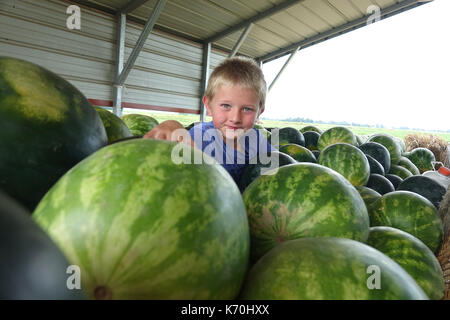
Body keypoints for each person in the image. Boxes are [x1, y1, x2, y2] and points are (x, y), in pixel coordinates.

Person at [143, 56, 275, 184]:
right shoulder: (201, 137)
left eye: (247, 109)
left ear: (259, 112)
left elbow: (282, 164)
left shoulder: (257, 140)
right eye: (226, 106)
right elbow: (180, 145)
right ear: (208, 106)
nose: (235, 118)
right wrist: (172, 124)